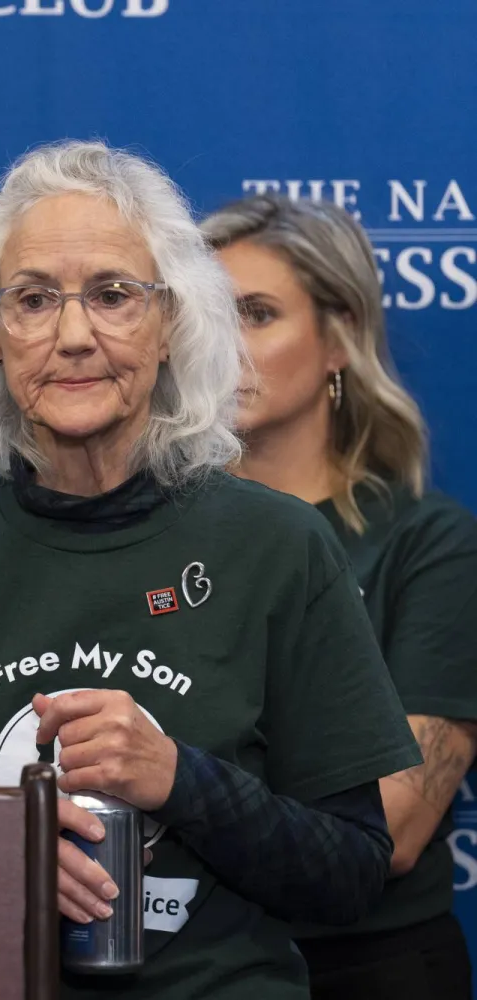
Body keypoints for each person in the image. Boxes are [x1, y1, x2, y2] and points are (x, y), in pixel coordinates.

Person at [0, 141, 422, 998]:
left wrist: (178, 779)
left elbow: (349, 872)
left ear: (171, 327)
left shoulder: (278, 548)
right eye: (35, 300)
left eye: (114, 296)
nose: (74, 335)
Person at [205, 194, 477, 1000]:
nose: (224, 348)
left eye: (257, 314)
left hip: (370, 966)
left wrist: (176, 782)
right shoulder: (152, 534)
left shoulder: (429, 543)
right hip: (192, 966)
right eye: (207, 318)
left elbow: (391, 828)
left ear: (339, 342)